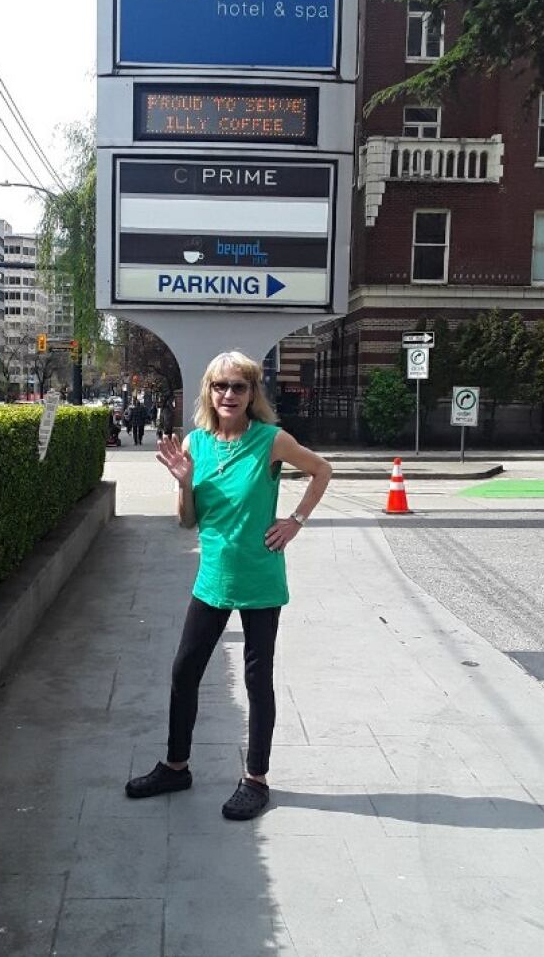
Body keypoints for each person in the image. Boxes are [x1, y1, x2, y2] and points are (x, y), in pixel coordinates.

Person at [125, 350, 332, 820]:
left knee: (258, 681)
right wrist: (183, 482)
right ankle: (177, 766)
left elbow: (322, 470)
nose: (229, 394)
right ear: (208, 392)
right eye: (220, 386)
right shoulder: (196, 444)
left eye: (239, 386)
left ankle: (255, 780)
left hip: (260, 578)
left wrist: (295, 521)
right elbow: (187, 523)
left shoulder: (271, 441)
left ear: (253, 393)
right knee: (184, 671)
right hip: (212, 579)